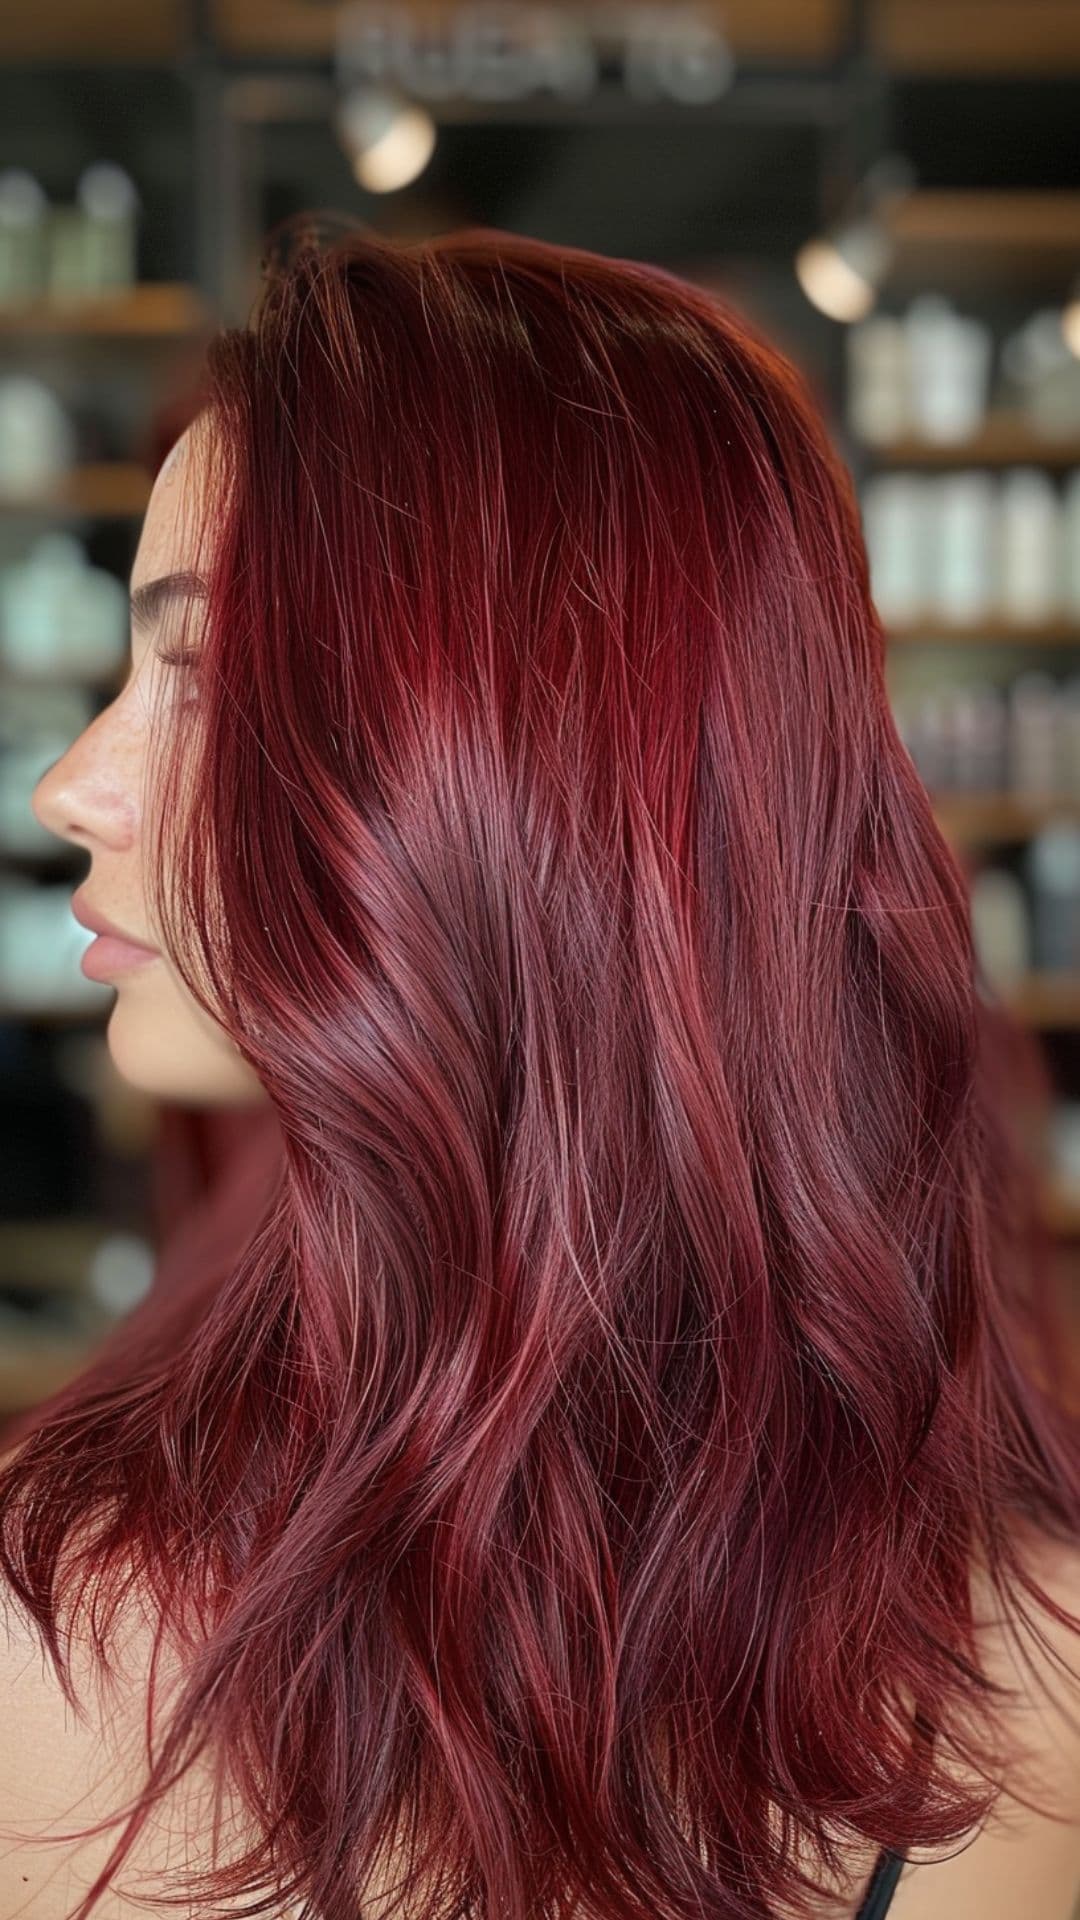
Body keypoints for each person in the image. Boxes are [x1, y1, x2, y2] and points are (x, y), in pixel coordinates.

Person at [1, 215, 1079, 1920]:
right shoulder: (1032, 1676)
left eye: (198, 675)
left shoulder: (47, 1647)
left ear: (508, 777)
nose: (72, 784)